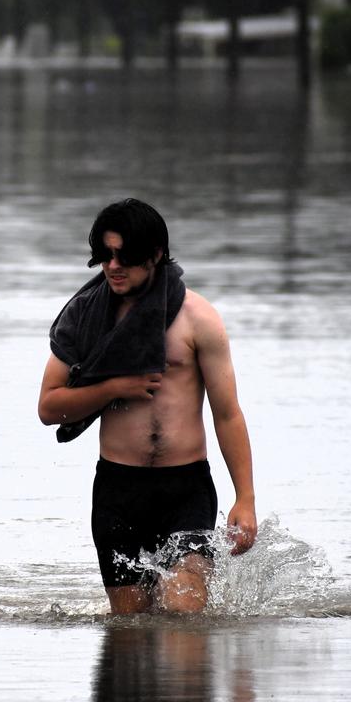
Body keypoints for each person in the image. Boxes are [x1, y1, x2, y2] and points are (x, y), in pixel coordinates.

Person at [38, 198, 257, 615]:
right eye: (105, 255)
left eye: (125, 256)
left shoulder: (199, 318)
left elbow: (227, 413)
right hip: (118, 491)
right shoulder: (85, 318)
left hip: (185, 488)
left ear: (155, 255)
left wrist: (244, 498)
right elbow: (49, 407)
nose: (113, 266)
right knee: (131, 631)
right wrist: (115, 386)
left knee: (182, 615)